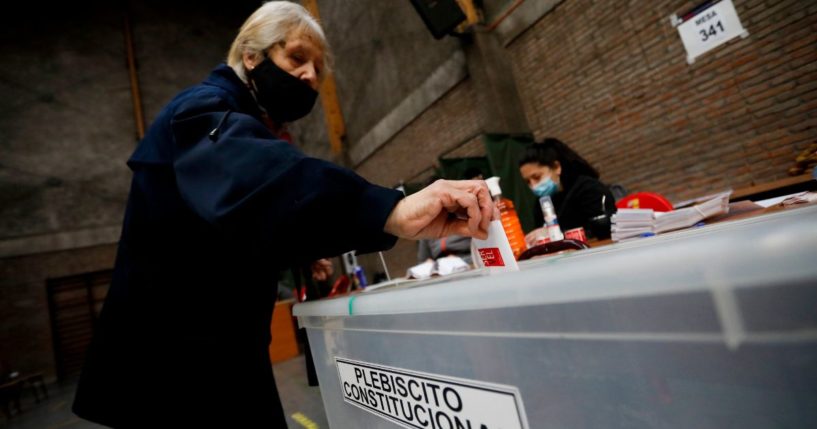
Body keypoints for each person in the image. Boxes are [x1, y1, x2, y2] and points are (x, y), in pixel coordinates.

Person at [72, 3, 493, 427]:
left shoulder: (249, 122)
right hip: (172, 364)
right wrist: (390, 208)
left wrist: (295, 250)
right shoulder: (201, 110)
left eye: (317, 68)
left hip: (223, 352)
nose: (310, 74)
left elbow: (228, 225)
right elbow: (256, 180)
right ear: (251, 55)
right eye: (296, 57)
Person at [518, 138, 616, 242]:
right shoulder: (541, 203)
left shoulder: (589, 190)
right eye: (528, 182)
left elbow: (602, 230)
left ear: (556, 167)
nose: (533, 186)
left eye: (537, 177)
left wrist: (555, 233)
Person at [417, 167, 485, 265]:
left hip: (468, 264)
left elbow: (483, 253)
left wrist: (460, 261)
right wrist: (429, 265)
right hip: (442, 270)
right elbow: (423, 261)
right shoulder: (426, 227)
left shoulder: (468, 215)